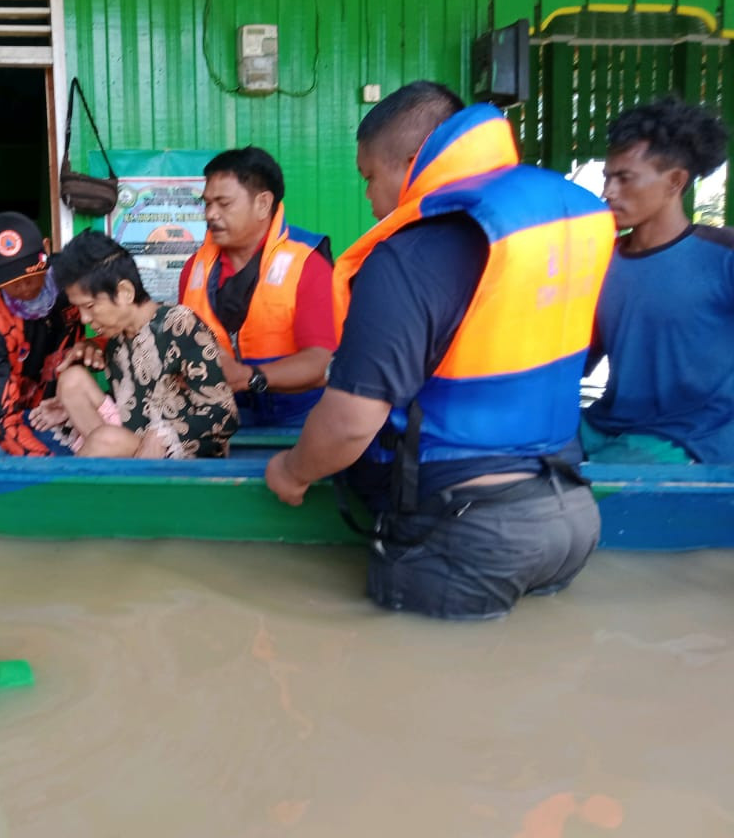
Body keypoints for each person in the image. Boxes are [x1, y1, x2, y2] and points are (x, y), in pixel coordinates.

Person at [264, 81, 616, 620]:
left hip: (466, 532)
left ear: (410, 162)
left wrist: (292, 472)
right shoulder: (565, 222)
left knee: (412, 694)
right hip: (568, 515)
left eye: (369, 177)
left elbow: (351, 423)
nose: (369, 196)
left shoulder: (414, 250)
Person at [582, 98, 734, 464]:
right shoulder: (600, 258)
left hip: (691, 437)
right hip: (607, 425)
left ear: (674, 182)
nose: (608, 193)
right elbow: (578, 359)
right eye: (607, 177)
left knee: (576, 498)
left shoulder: (724, 255)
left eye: (624, 178)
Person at [178, 147, 336, 427]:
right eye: (207, 203)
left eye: (223, 203)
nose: (211, 214)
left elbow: (321, 362)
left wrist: (249, 377)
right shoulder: (194, 269)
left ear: (263, 204)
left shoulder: (308, 264)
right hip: (219, 418)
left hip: (300, 421)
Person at [49, 230, 238, 459]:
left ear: (125, 292)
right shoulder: (117, 341)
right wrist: (69, 414)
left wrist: (164, 435)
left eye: (89, 306)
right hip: (132, 450)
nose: (85, 319)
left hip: (183, 459)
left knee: (105, 440)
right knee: (71, 380)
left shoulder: (179, 324)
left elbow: (225, 414)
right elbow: (134, 407)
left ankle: (79, 490)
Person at [0, 212, 85, 456]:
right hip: (5, 426)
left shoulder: (75, 283)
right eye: (11, 281)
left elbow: (121, 336)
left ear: (46, 248)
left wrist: (95, 347)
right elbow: (3, 418)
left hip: (61, 414)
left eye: (30, 274)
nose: (23, 288)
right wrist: (51, 470)